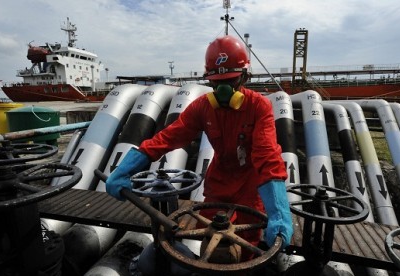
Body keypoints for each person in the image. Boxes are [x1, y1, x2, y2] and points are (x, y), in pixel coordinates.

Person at [106, 35, 293, 261]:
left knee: (246, 248)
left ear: (244, 76)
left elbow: (267, 157)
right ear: (209, 79)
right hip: (218, 185)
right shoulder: (203, 108)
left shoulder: (259, 106)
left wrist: (280, 214)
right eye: (217, 82)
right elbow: (167, 137)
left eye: (231, 81)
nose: (223, 90)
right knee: (209, 241)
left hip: (250, 188)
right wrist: (124, 169)